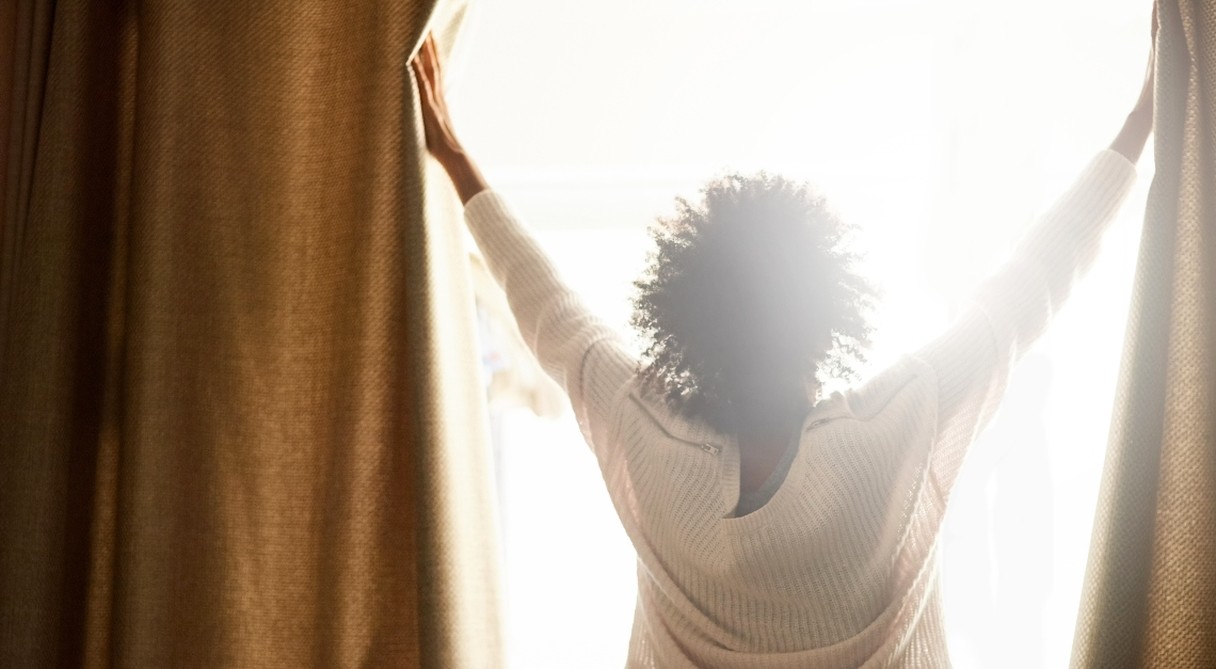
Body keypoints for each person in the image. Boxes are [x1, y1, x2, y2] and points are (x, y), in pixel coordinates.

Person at [411, 21, 1154, 668]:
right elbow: (1031, 286)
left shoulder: (649, 433)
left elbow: (546, 305)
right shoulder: (897, 425)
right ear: (826, 319)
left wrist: (452, 158)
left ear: (687, 327)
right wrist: (1141, 122)